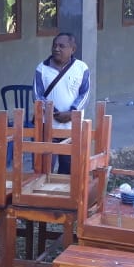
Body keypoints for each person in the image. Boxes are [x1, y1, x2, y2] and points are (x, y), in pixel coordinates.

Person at [34, 32, 91, 175]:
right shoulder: (42, 68)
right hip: (47, 126)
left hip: (72, 126)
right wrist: (52, 112)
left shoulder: (81, 68)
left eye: (61, 46)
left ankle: (64, 196)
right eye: (54, 45)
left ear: (72, 49)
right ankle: (45, 196)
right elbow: (37, 95)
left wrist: (72, 112)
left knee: (69, 169)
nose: (56, 49)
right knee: (45, 168)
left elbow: (85, 94)